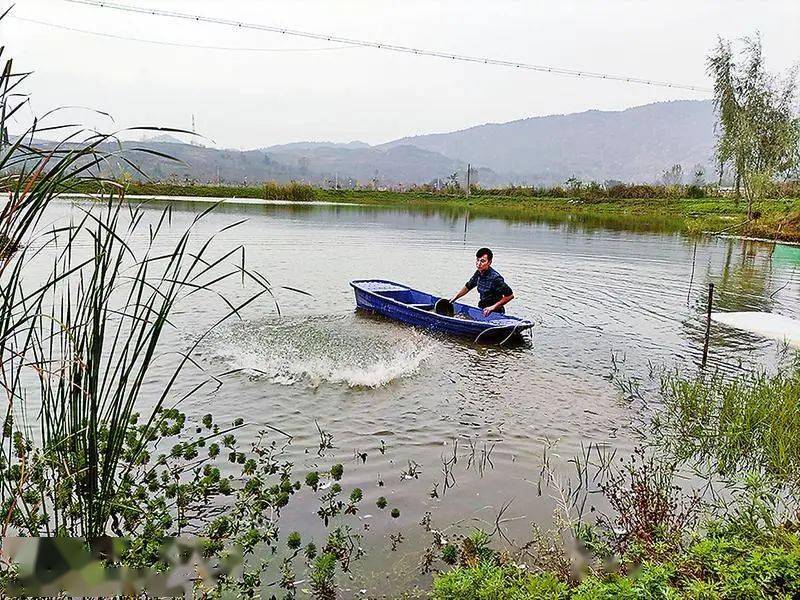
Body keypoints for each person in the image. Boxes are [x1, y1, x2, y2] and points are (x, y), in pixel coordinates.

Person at [450, 247, 514, 317]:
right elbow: (468, 286)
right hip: (482, 308)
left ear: (489, 262)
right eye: (477, 260)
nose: (478, 264)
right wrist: (455, 298)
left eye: (482, 261)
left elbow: (510, 296)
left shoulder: (495, 278)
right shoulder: (478, 273)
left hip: (495, 312)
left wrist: (492, 307)